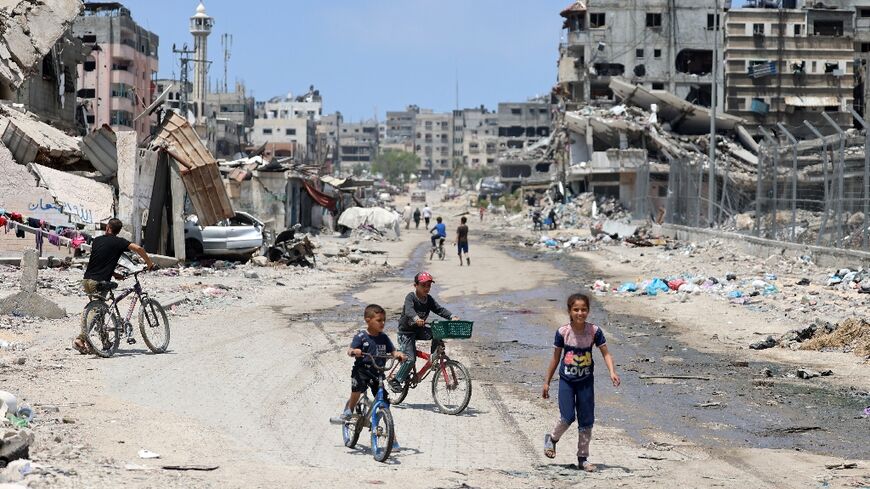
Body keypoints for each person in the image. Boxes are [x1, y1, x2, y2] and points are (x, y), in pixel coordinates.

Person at [542, 293, 620, 472]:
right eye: (576, 309)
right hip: (567, 382)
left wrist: (612, 372)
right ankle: (552, 439)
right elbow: (555, 358)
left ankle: (583, 458)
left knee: (586, 421)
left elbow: (605, 353)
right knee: (568, 417)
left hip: (586, 383)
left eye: (584, 309)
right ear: (570, 311)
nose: (580, 313)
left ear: (588, 311)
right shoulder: (563, 332)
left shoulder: (594, 331)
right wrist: (547, 382)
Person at [75, 218, 155, 353]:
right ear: (118, 231)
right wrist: (149, 263)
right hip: (99, 282)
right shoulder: (119, 242)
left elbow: (100, 260)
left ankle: (104, 342)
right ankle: (81, 339)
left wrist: (114, 274)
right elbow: (139, 248)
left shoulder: (97, 240)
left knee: (98, 311)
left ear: (107, 227)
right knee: (96, 312)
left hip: (87, 280)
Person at [330, 304, 406, 424]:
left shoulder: (384, 337)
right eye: (379, 320)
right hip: (362, 371)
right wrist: (354, 351)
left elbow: (393, 351)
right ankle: (348, 411)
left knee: (385, 400)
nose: (382, 323)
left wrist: (398, 354)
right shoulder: (361, 336)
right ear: (368, 320)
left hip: (377, 372)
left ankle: (379, 418)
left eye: (384, 320)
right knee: (357, 390)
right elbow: (350, 350)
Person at [389, 272, 458, 392]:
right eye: (423, 285)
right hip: (406, 333)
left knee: (437, 331)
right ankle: (396, 380)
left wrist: (452, 316)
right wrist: (416, 318)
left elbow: (439, 309)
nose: (426, 288)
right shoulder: (411, 297)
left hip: (419, 330)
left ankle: (433, 357)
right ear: (415, 285)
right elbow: (409, 310)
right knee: (410, 359)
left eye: (429, 286)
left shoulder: (429, 299)